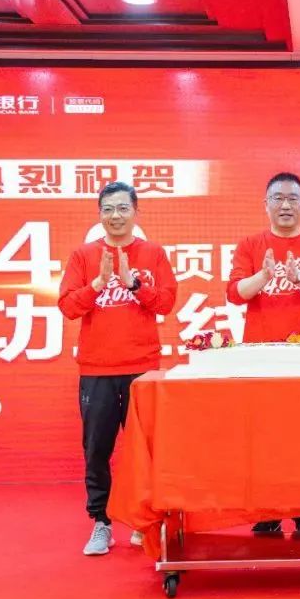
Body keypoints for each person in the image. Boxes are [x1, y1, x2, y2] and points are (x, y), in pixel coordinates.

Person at [58, 181, 178, 555]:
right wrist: (98, 283)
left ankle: (145, 522)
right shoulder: (83, 255)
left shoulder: (153, 253)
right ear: (99, 213)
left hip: (142, 368)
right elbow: (68, 306)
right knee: (97, 449)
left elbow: (166, 303)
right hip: (97, 369)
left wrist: (134, 284)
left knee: (147, 450)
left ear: (135, 212)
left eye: (123, 208)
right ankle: (102, 523)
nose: (116, 215)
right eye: (108, 208)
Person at [226, 172, 300, 533]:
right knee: (263, 435)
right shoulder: (250, 245)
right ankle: (268, 510)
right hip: (260, 355)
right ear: (266, 205)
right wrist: (263, 277)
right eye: (278, 198)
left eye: (294, 198)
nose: (286, 205)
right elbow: (234, 293)